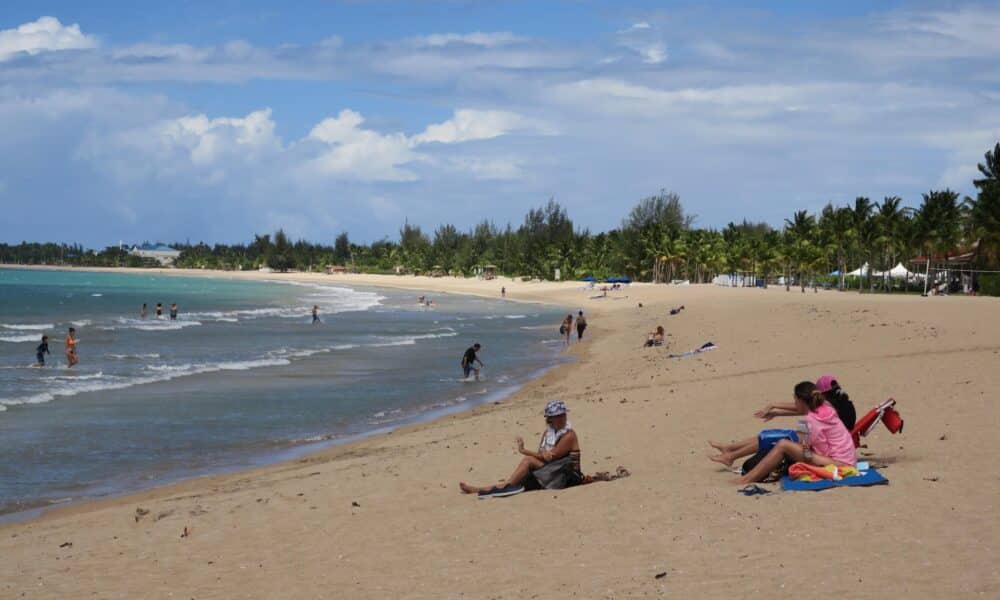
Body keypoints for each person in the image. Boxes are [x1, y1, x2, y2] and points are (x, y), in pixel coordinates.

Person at [708, 377, 856, 466]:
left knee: (774, 437)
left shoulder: (826, 407)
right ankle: (729, 449)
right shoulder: (831, 405)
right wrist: (776, 411)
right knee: (771, 434)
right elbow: (802, 410)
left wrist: (775, 407)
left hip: (822, 444)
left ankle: (730, 455)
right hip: (821, 439)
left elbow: (802, 413)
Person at [731, 382, 857, 485]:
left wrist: (800, 450)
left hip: (840, 464)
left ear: (802, 402)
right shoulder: (826, 407)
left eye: (796, 401)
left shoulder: (811, 421)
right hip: (848, 459)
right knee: (793, 437)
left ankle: (745, 479)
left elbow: (818, 452)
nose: (795, 405)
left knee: (783, 444)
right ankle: (738, 461)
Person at [460, 400, 582, 498]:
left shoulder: (569, 435)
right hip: (552, 471)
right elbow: (542, 455)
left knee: (527, 461)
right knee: (517, 479)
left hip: (567, 476)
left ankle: (502, 488)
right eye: (558, 415)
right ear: (550, 418)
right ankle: (478, 489)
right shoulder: (547, 433)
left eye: (563, 414)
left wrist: (524, 451)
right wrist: (542, 454)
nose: (562, 418)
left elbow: (551, 457)